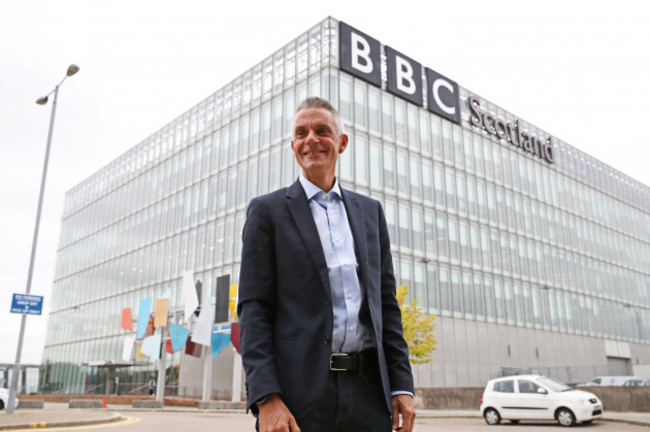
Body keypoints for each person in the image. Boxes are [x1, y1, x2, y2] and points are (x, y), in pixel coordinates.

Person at [237, 97, 416, 432]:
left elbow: (386, 306)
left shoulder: (370, 213)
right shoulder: (267, 212)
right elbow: (253, 309)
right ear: (293, 145)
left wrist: (401, 384)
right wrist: (266, 398)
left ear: (342, 142)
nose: (311, 140)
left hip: (368, 394)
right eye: (301, 133)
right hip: (296, 398)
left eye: (322, 130)